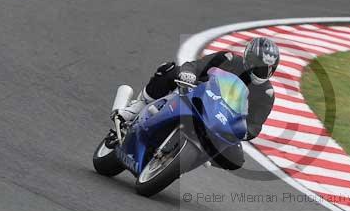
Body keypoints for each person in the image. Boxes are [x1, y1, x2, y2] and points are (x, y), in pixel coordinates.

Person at [114, 37, 280, 170]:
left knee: (236, 160)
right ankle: (138, 106)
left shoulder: (267, 94)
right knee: (170, 69)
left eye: (267, 69)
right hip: (197, 95)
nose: (261, 72)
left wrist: (244, 131)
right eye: (258, 66)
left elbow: (255, 124)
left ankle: (198, 157)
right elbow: (195, 66)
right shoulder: (227, 59)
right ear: (248, 58)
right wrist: (189, 74)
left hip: (221, 120)